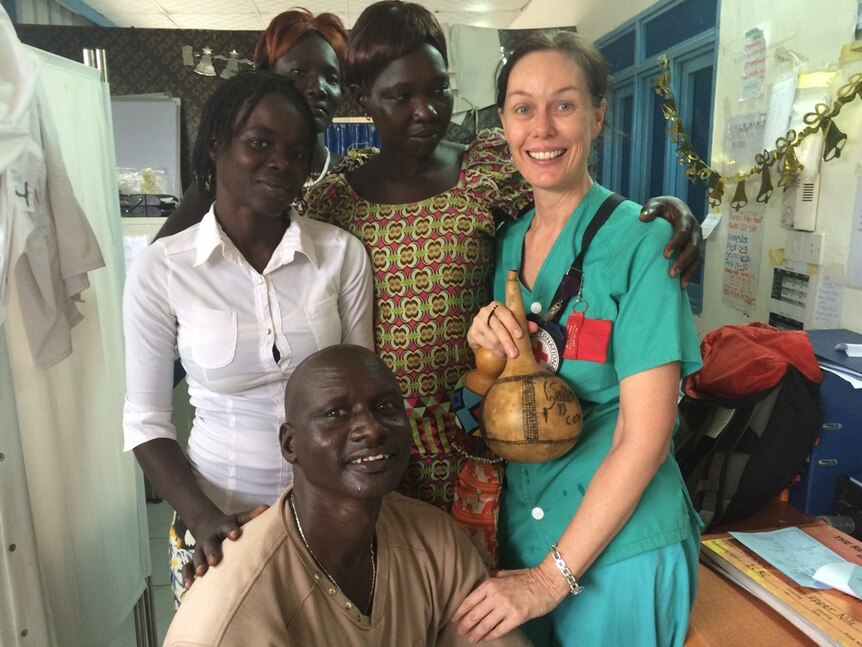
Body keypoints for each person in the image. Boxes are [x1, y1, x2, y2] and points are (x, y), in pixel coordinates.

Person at [305, 0, 704, 513]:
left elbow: (570, 196)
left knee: (477, 579)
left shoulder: (484, 169)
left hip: (482, 426)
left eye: (438, 90)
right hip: (375, 440)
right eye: (400, 96)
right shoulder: (334, 203)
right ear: (362, 98)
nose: (424, 111)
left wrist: (668, 208)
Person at [450, 30, 703, 646]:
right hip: (524, 535)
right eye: (522, 108)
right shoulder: (505, 243)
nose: (542, 128)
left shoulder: (645, 244)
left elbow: (644, 438)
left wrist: (546, 580)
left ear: (596, 116)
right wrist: (483, 365)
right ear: (503, 124)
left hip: (620, 551)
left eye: (563, 104)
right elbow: (479, 409)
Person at [122, 71, 373, 606]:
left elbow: (360, 398)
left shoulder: (341, 255)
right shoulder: (163, 269)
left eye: (297, 151)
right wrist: (204, 518)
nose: (280, 161)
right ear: (217, 144)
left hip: (329, 514)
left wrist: (356, 505)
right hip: (218, 516)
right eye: (259, 143)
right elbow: (145, 420)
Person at [162, 345, 530, 646]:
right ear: (291, 445)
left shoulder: (433, 540)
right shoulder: (230, 611)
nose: (370, 428)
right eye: (335, 413)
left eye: (385, 407)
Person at [153, 8, 347, 240]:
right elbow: (166, 259)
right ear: (266, 76)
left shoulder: (352, 175)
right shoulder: (226, 178)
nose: (318, 88)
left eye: (332, 78)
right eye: (299, 71)